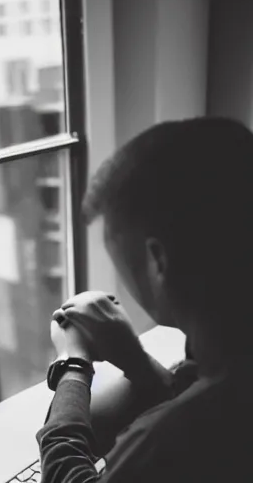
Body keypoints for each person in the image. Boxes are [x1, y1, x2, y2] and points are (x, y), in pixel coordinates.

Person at [37, 117, 253, 482]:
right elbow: (199, 386)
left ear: (158, 260)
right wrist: (135, 360)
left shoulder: (162, 443)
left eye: (122, 262)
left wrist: (72, 363)